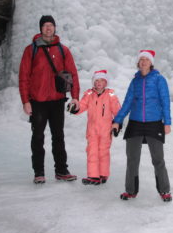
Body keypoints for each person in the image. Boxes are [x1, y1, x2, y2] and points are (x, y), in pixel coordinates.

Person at [18, 15, 80, 184]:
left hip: (57, 100)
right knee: (37, 137)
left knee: (58, 136)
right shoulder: (31, 50)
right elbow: (24, 77)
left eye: (51, 25)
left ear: (54, 28)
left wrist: (75, 97)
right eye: (45, 26)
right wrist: (26, 101)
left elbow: (72, 74)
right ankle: (39, 172)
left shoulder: (63, 50)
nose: (48, 28)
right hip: (37, 101)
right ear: (40, 29)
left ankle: (61, 170)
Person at [113, 50, 173, 202]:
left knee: (158, 159)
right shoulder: (135, 81)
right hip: (135, 123)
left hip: (154, 123)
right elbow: (127, 102)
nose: (144, 62)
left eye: (147, 59)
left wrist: (167, 122)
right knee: (132, 159)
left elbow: (165, 101)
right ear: (138, 63)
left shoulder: (159, 79)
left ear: (151, 63)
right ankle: (130, 190)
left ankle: (164, 191)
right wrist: (117, 120)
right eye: (141, 60)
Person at [72, 70, 121, 186]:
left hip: (106, 130)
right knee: (92, 151)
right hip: (92, 130)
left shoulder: (111, 95)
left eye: (102, 81)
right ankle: (93, 176)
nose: (99, 83)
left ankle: (103, 174)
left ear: (106, 83)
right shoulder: (89, 94)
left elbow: (118, 110)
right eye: (96, 81)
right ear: (93, 83)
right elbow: (82, 105)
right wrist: (75, 108)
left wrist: (117, 124)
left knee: (103, 152)